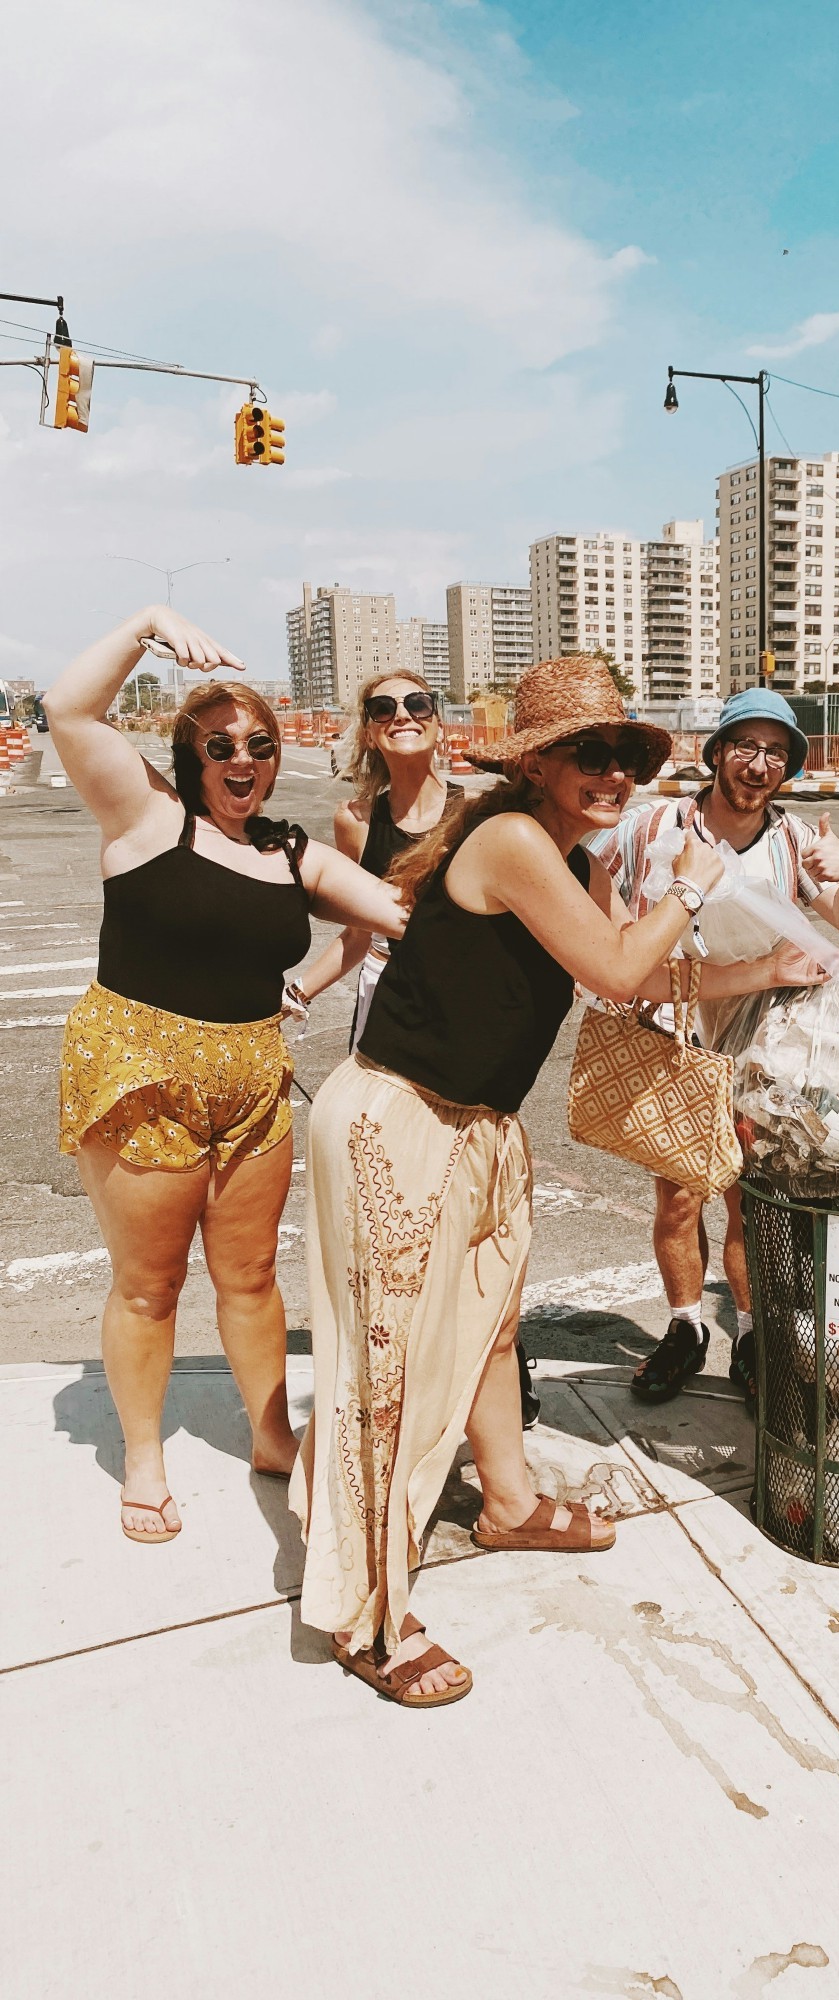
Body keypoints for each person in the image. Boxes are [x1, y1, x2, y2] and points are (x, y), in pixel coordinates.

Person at [292, 656, 734, 1707]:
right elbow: (625, 969)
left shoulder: (566, 864)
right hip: (399, 1118)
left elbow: (622, 966)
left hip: (479, 1126)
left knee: (490, 1325)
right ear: (537, 765)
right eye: (590, 755)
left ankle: (510, 1501)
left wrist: (766, 973)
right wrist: (691, 883)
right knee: (387, 1370)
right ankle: (367, 1610)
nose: (614, 774)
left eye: (625, 756)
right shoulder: (511, 842)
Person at [47, 608, 408, 1545]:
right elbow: (69, 711)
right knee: (148, 1284)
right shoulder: (144, 818)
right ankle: (143, 1457)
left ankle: (271, 1436)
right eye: (221, 745)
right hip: (142, 1076)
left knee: (249, 1276)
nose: (243, 759)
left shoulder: (294, 854)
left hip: (252, 1084)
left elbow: (405, 913)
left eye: (260, 743)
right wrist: (144, 627)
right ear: (189, 754)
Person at [590, 688, 839, 1406]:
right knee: (681, 1195)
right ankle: (687, 1328)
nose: (758, 763)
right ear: (716, 753)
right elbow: (588, 881)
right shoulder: (653, 825)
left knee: (750, 1199)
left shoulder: (789, 841)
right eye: (744, 746)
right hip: (674, 1029)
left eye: (776, 752)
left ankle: (749, 1332)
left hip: (762, 1037)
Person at [297, 669, 463, 1046]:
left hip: (460, 997)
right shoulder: (355, 821)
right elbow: (359, 932)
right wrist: (298, 991)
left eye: (418, 705)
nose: (402, 716)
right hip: (385, 993)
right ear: (369, 735)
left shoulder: (477, 815)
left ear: (438, 725)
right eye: (383, 709)